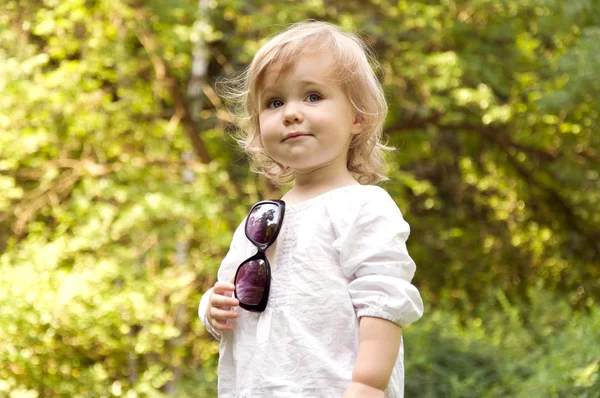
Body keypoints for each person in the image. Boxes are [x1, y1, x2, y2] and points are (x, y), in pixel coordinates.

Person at [198, 20, 424, 398]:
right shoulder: (260, 220)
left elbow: (384, 301)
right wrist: (212, 306)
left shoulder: (363, 206)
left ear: (358, 117)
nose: (290, 113)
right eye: (274, 102)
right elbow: (235, 289)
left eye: (313, 96)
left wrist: (367, 385)